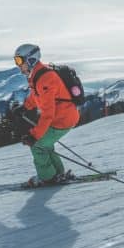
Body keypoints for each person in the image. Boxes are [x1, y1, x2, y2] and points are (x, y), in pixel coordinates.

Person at [12, 43, 80, 187]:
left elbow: (48, 114)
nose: (18, 65)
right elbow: (36, 96)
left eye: (19, 61)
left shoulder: (45, 79)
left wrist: (34, 136)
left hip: (63, 119)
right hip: (61, 117)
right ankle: (57, 173)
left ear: (30, 59)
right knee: (46, 145)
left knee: (38, 146)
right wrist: (25, 107)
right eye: (16, 61)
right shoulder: (37, 75)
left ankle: (48, 178)